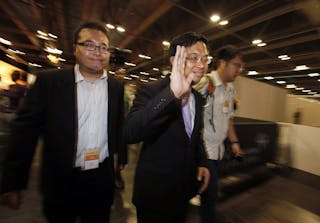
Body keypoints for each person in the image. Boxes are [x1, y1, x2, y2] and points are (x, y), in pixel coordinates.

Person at [0, 21, 127, 223]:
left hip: (100, 179)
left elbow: (118, 124)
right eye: (90, 45)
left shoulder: (116, 88)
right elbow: (25, 132)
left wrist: (121, 159)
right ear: (75, 48)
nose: (98, 51)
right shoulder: (50, 83)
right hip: (61, 178)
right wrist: (13, 180)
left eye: (104, 47)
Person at [124, 32, 211, 223]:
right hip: (155, 194)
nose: (201, 65)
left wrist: (203, 162)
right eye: (194, 58)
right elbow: (130, 132)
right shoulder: (151, 90)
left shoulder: (198, 98)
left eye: (205, 59)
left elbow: (196, 135)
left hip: (183, 191)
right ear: (174, 60)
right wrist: (171, 94)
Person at [193, 45, 245, 223]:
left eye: (241, 67)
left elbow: (229, 119)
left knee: (209, 195)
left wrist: (235, 142)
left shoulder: (230, 90)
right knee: (210, 196)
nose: (239, 70)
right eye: (236, 65)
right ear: (222, 63)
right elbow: (190, 114)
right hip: (203, 151)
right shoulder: (207, 84)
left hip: (218, 152)